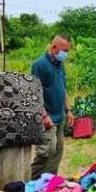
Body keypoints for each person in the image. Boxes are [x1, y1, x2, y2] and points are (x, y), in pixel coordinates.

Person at [30, 34, 74, 180]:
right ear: (54, 47)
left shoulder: (60, 65)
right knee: (45, 153)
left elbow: (63, 88)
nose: (66, 54)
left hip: (59, 115)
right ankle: (32, 182)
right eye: (64, 51)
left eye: (67, 51)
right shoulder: (39, 65)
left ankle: (48, 181)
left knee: (57, 152)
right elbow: (34, 94)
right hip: (47, 118)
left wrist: (68, 110)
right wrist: (44, 116)